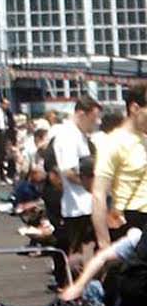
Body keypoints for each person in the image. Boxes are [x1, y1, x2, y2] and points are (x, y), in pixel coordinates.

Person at [93, 82, 147, 251]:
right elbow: (99, 193)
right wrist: (104, 242)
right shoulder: (113, 143)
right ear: (135, 108)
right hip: (131, 221)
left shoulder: (144, 139)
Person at [49, 95, 101, 266]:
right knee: (80, 252)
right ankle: (74, 287)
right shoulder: (69, 136)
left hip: (84, 203)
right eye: (93, 118)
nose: (96, 122)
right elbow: (69, 171)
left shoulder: (79, 135)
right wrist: (95, 187)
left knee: (87, 249)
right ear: (81, 114)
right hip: (79, 205)